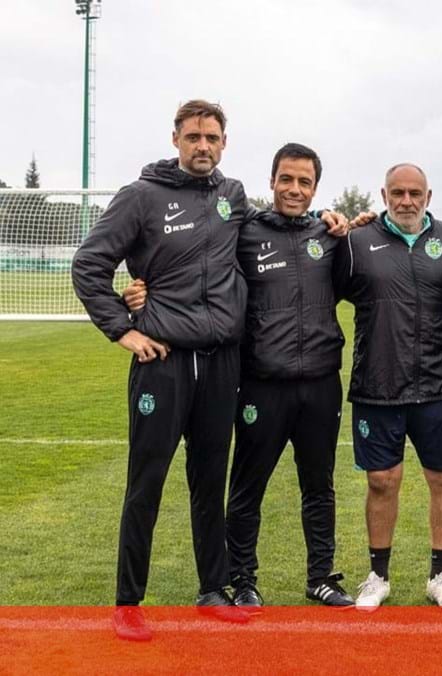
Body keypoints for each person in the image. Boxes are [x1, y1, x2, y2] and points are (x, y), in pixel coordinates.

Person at [126, 143, 353, 609]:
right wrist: (142, 290)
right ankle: (243, 579)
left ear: (315, 189)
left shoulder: (329, 236)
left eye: (304, 182)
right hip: (259, 383)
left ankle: (321, 576)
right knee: (247, 487)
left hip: (321, 383)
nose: (294, 189)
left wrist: (339, 218)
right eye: (286, 179)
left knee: (319, 484)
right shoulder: (242, 229)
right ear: (270, 182)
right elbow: (191, 262)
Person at [72, 100, 251, 641]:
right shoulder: (141, 196)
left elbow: (271, 236)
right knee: (146, 482)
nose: (203, 146)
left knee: (209, 482)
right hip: (163, 362)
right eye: (194, 136)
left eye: (212, 137)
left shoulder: (233, 196)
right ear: (175, 139)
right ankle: (129, 603)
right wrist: (123, 327)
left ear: (224, 143)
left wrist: (340, 222)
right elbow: (89, 263)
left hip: (221, 362)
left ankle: (213, 590)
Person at [336, 164, 442, 610]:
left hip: (436, 385)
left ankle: (440, 575)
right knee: (381, 482)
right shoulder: (356, 243)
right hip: (378, 386)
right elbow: (319, 293)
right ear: (384, 194)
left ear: (428, 196)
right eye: (398, 192)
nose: (406, 200)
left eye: (415, 193)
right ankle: (377, 576)